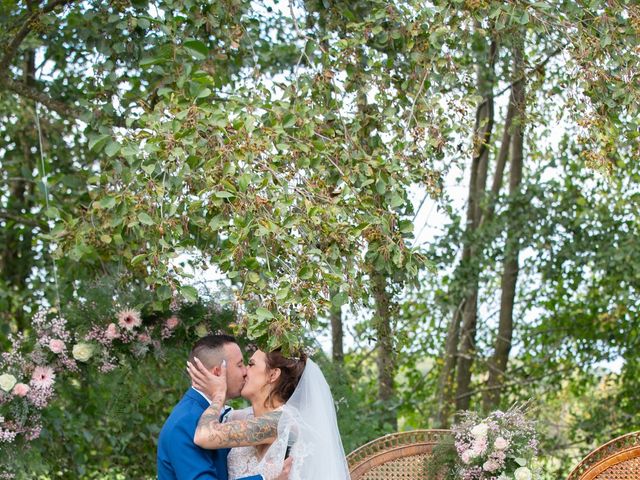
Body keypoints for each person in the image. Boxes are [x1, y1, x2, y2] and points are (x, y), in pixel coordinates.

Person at [187, 347, 351, 480]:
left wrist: (218, 396)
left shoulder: (282, 422)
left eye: (251, 364)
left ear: (273, 375)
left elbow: (203, 435)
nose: (244, 371)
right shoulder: (245, 417)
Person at [157, 334, 292, 480]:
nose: (245, 371)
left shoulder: (226, 415)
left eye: (249, 364)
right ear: (217, 372)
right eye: (240, 365)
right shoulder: (185, 422)